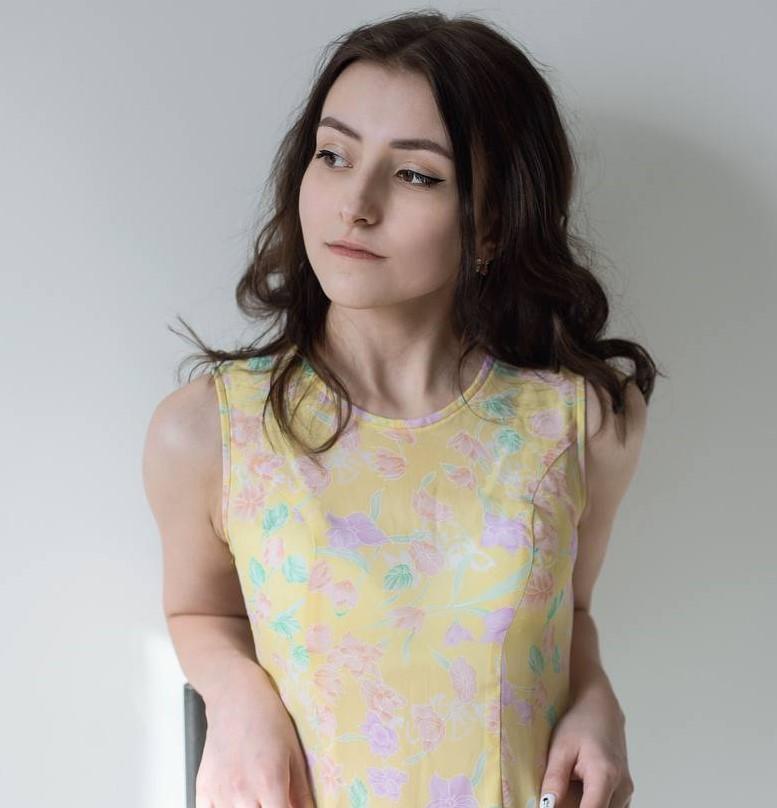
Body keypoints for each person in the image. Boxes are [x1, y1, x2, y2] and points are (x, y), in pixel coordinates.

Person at [143, 10, 657, 808]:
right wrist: (236, 699)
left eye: (415, 174)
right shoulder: (208, 430)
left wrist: (598, 704)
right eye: (333, 155)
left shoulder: (580, 423)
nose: (355, 203)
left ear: (492, 221)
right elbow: (198, 609)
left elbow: (572, 612)